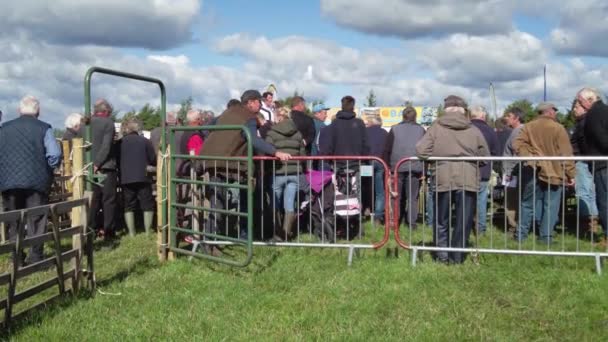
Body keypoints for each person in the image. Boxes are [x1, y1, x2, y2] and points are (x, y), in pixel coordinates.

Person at [198, 90, 290, 255]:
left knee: (216, 202)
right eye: (259, 103)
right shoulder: (249, 118)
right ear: (251, 102)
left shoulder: (228, 112)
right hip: (229, 164)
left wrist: (216, 144)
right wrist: (275, 152)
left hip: (212, 160)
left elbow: (206, 128)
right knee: (235, 201)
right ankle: (228, 239)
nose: (260, 106)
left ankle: (209, 241)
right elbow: (253, 140)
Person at [416, 95, 490, 264]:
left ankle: (442, 255)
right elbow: (485, 155)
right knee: (463, 220)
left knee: (441, 219)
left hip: (443, 176)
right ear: (464, 110)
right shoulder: (473, 129)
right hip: (468, 178)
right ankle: (457, 257)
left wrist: (436, 156)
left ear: (446, 109)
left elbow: (421, 150)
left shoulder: (436, 127)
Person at [0, 95, 62, 265]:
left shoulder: (3, 128)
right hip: (37, 181)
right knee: (36, 219)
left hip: (8, 182)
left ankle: (17, 258)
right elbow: (55, 155)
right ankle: (36, 258)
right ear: (38, 111)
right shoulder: (44, 128)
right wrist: (48, 167)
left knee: (14, 220)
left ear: (19, 110)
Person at [513, 102, 575, 244]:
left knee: (527, 204)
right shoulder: (558, 128)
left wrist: (531, 157)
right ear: (550, 112)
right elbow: (566, 154)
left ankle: (520, 235)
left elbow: (517, 145)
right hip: (554, 172)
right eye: (554, 111)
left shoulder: (528, 126)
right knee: (550, 206)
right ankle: (545, 238)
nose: (555, 114)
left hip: (532, 169)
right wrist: (571, 174)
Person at [265, 108, 305, 241]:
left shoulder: (272, 133)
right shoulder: (298, 133)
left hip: (277, 172)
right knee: (289, 204)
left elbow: (268, 152)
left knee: (275, 204)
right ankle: (287, 234)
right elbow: (302, 154)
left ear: (278, 117)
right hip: (294, 173)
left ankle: (277, 235)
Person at [384, 106, 425, 228]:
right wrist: (424, 170)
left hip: (396, 167)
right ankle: (411, 223)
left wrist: (387, 169)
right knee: (413, 197)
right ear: (415, 117)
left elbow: (387, 150)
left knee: (396, 196)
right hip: (415, 167)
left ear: (403, 116)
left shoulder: (394, 129)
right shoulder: (421, 130)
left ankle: (394, 221)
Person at [578, 87, 608, 246]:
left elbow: (600, 138)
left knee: (604, 201)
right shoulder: (605, 110)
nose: (580, 104)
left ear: (590, 100)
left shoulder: (594, 115)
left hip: (603, 164)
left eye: (581, 101)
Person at [120, 119, 157, 236]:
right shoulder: (145, 141)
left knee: (128, 205)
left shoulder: (120, 142)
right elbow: (152, 159)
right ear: (137, 129)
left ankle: (131, 233)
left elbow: (116, 160)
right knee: (147, 204)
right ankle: (147, 232)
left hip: (126, 177)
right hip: (143, 176)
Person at [89, 98, 118, 239]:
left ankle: (91, 229)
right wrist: (98, 163)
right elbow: (106, 146)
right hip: (106, 167)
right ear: (106, 111)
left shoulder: (85, 124)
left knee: (93, 200)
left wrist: (91, 165)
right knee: (108, 200)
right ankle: (108, 231)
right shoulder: (108, 123)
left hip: (88, 168)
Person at [570, 98, 599, 236]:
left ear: (584, 107)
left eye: (576, 107)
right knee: (591, 194)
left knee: (583, 194)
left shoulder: (583, 123)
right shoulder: (587, 122)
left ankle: (586, 226)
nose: (574, 110)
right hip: (588, 160)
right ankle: (592, 225)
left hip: (582, 160)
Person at [470, 105, 500, 235]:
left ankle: (465, 225)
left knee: (466, 200)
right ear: (483, 116)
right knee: (481, 200)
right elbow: (496, 152)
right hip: (483, 170)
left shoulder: (466, 128)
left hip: (467, 170)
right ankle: (480, 228)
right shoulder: (490, 131)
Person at [502, 107, 525, 232]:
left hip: (512, 172)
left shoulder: (518, 131)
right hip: (512, 171)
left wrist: (510, 172)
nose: (506, 118)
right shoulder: (517, 130)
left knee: (511, 201)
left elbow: (518, 153)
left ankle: (513, 226)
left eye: (509, 116)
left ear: (516, 118)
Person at [363, 116, 388, 224]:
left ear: (370, 123)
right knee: (379, 191)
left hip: (366, 162)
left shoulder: (365, 132)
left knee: (365, 186)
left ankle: (366, 208)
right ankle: (378, 216)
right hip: (380, 162)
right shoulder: (385, 133)